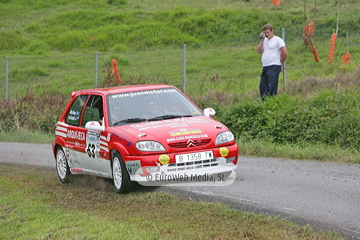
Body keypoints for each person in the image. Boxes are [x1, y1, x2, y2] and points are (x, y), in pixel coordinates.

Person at [257, 23, 288, 100]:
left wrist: (281, 63)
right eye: (265, 33)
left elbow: (284, 53)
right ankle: (264, 102)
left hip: (274, 65)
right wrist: (262, 40)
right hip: (265, 66)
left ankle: (273, 101)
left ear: (272, 31)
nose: (266, 34)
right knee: (263, 86)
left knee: (272, 86)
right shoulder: (264, 41)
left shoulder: (278, 40)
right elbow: (259, 51)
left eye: (267, 32)